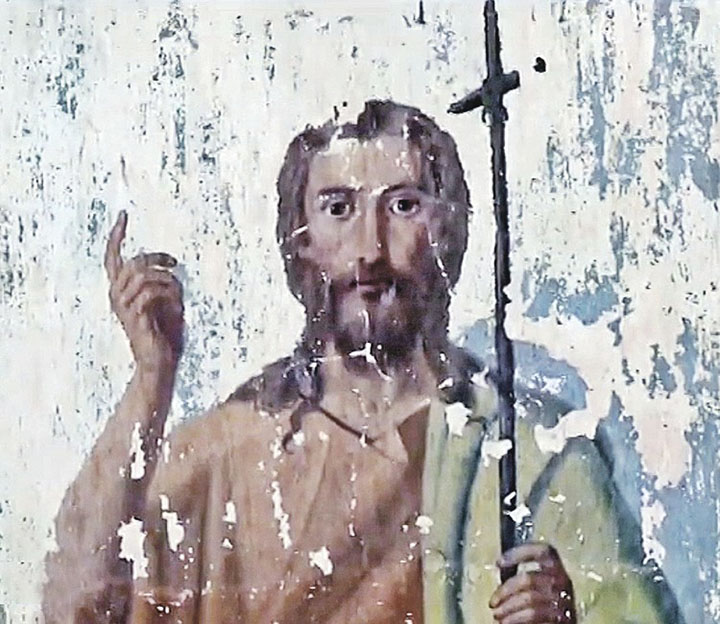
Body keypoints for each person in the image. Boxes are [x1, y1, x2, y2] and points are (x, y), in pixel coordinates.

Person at [43, 100, 679, 623]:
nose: (369, 252)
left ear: (446, 231)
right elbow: (75, 609)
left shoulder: (532, 452)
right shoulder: (230, 452)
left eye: (402, 206)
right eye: (339, 209)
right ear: (301, 241)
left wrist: (566, 617)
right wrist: (152, 380)